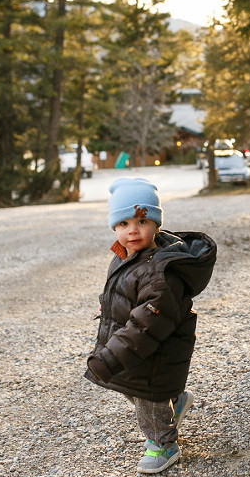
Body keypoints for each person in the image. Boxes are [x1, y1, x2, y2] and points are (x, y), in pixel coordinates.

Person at [85, 177, 217, 473]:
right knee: (132, 387)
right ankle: (173, 402)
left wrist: (109, 357)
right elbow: (123, 289)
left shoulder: (161, 272)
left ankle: (163, 443)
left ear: (156, 224)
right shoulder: (128, 254)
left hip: (155, 350)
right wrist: (108, 303)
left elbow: (147, 323)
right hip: (140, 347)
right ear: (114, 227)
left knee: (145, 395)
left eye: (141, 221)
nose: (132, 230)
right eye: (122, 224)